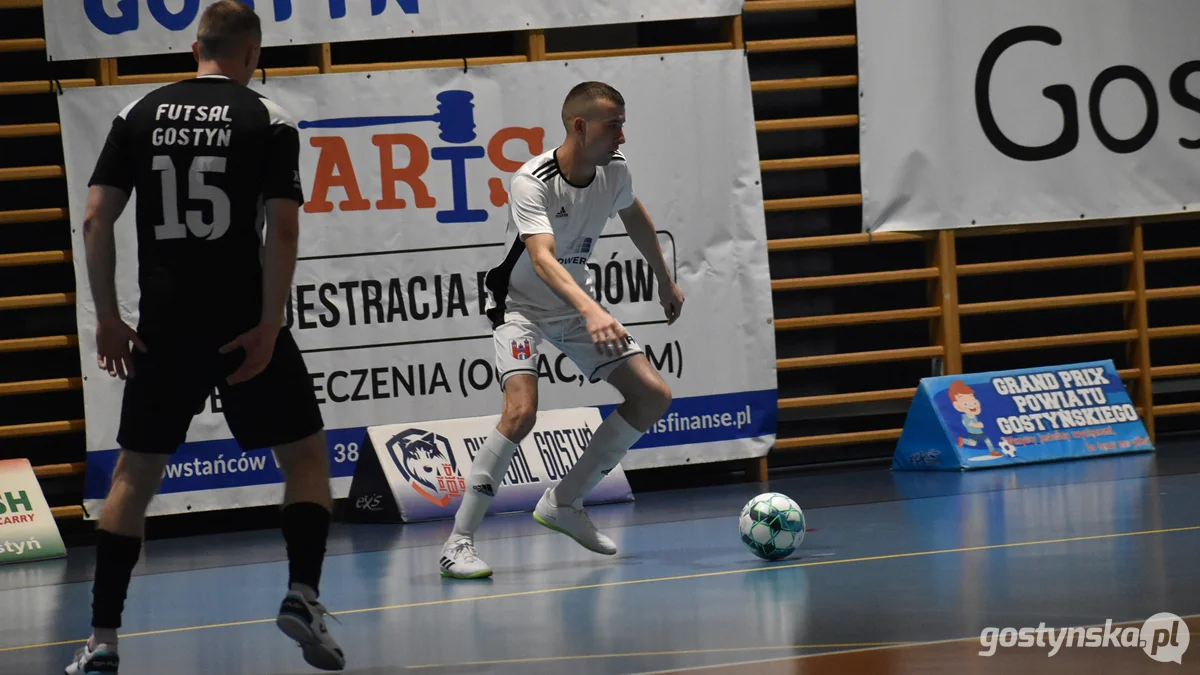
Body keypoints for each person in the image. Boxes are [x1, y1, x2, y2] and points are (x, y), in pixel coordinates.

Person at [66, 3, 343, 672]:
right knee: (304, 459)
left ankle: (103, 638)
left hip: (163, 326)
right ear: (250, 55)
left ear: (196, 47)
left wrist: (107, 314)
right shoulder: (268, 119)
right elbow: (283, 228)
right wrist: (271, 321)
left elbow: (97, 217)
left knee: (134, 474)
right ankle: (302, 593)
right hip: (243, 321)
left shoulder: (139, 114)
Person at [438, 82, 684, 579]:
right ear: (580, 126)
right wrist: (593, 311)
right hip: (520, 305)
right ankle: (458, 543)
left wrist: (664, 278)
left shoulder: (614, 172)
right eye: (613, 124)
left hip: (573, 305)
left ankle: (564, 503)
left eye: (622, 123)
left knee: (652, 396)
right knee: (522, 411)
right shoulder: (532, 180)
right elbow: (542, 257)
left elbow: (635, 215)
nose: (621, 134)